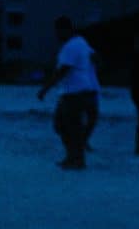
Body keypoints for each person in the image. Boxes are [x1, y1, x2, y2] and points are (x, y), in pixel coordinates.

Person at [36, 16, 100, 170]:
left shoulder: (70, 46)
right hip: (83, 91)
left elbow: (63, 70)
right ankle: (73, 157)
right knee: (67, 126)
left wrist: (45, 89)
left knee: (66, 126)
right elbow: (95, 57)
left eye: (58, 31)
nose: (56, 35)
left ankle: (75, 159)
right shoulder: (82, 42)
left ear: (65, 30)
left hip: (73, 93)